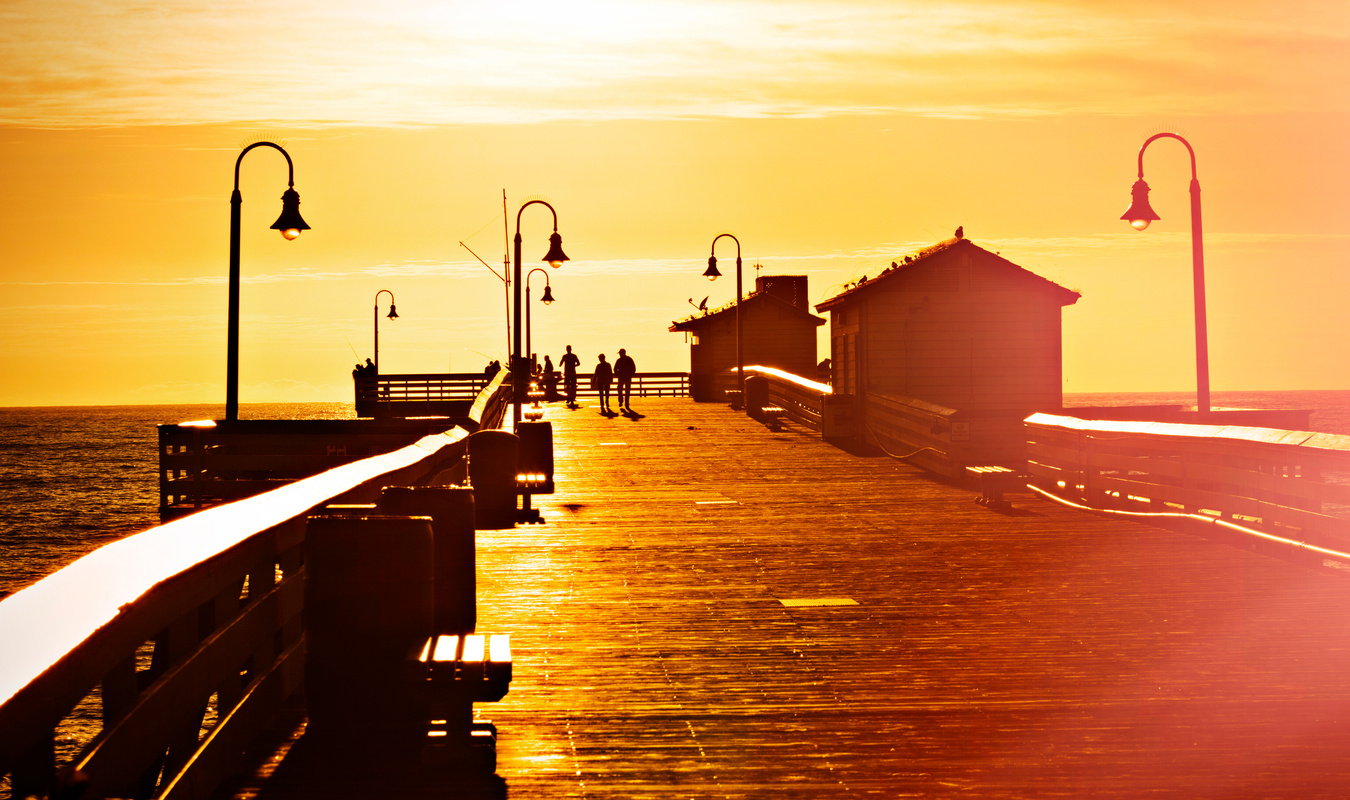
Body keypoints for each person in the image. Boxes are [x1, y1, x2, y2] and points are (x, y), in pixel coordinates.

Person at [614, 348, 636, 412]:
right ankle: (626, 402)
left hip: (622, 377)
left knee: (620, 389)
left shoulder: (619, 360)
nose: (620, 355)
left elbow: (615, 369)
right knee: (626, 390)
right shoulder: (629, 359)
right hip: (626, 377)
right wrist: (630, 375)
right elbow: (633, 368)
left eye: (620, 353)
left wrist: (617, 375)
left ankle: (622, 401)